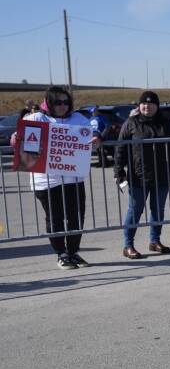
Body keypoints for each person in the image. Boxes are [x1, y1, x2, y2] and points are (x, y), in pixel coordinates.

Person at [10, 86, 102, 269]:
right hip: (46, 181)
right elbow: (19, 139)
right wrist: (15, 138)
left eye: (66, 102)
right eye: (58, 102)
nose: (62, 106)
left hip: (73, 178)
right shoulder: (36, 118)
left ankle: (73, 252)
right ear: (50, 102)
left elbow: (92, 132)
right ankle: (61, 253)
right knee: (55, 218)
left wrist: (97, 137)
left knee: (75, 217)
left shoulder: (78, 118)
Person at [114, 91, 170, 260]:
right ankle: (128, 245)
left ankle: (155, 241)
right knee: (135, 210)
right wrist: (119, 171)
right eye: (144, 104)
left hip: (162, 175)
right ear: (139, 105)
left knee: (158, 209)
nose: (147, 107)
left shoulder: (166, 124)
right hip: (138, 175)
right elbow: (120, 148)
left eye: (151, 104)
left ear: (157, 106)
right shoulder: (131, 123)